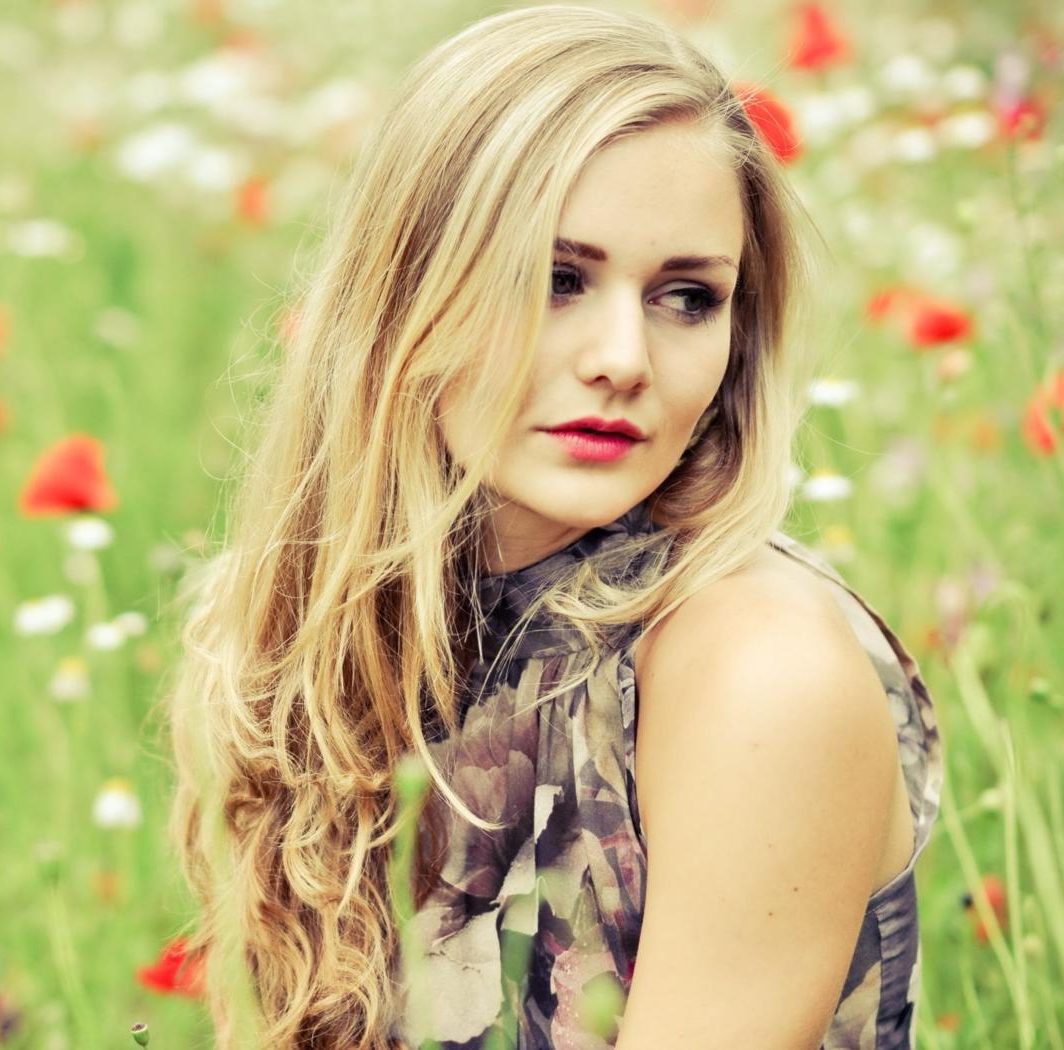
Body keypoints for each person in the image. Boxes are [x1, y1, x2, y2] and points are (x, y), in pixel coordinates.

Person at [163, 5, 944, 1049]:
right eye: (556, 279)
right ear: (407, 292)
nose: (622, 357)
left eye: (686, 297)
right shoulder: (309, 631)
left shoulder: (758, 672)